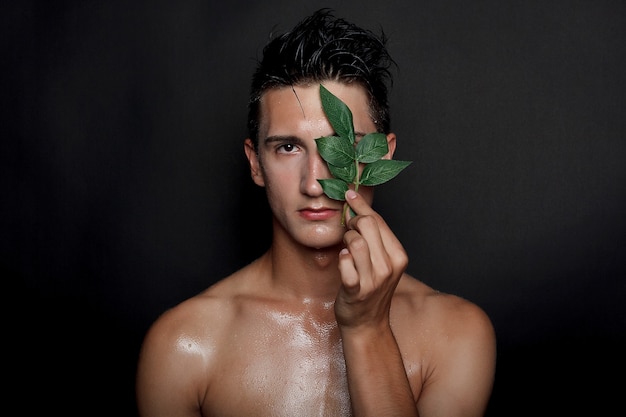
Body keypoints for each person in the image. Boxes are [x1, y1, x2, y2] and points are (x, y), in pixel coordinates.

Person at [136, 8, 496, 417]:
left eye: (341, 149)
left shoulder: (458, 334)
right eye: (288, 147)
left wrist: (367, 330)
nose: (314, 184)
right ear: (255, 163)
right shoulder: (185, 345)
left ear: (383, 154)